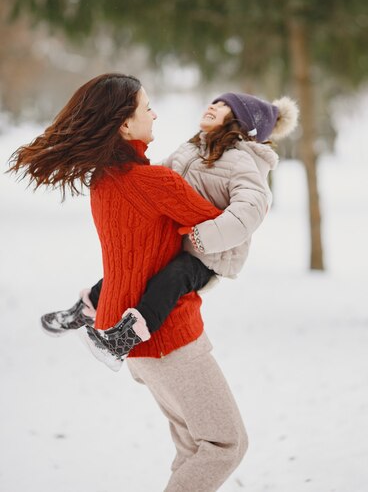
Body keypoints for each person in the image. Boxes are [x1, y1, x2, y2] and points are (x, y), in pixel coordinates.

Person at [9, 73, 298, 492]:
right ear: (125, 125)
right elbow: (212, 222)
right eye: (147, 107)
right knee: (224, 444)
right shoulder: (155, 182)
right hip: (170, 339)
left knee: (191, 449)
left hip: (139, 341)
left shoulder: (106, 179)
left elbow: (140, 250)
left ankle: (88, 305)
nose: (156, 113)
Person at [40, 88, 298, 372]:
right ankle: (84, 309)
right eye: (214, 101)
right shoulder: (191, 149)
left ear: (241, 122)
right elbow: (161, 178)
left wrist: (205, 235)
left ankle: (122, 340)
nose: (213, 106)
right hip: (182, 240)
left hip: (207, 256)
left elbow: (250, 209)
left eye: (225, 106)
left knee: (171, 279)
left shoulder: (242, 161)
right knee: (133, 265)